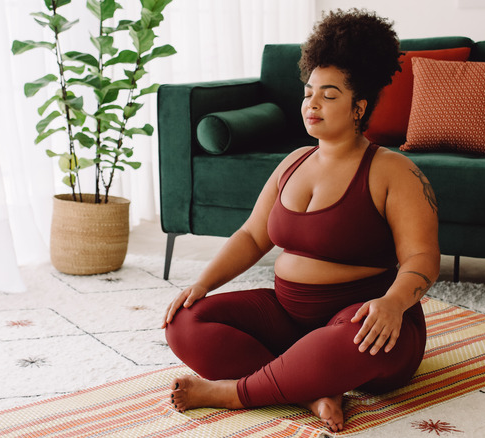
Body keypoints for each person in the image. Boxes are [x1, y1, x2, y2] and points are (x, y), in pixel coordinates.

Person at [162, 8, 440, 432]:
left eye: (329, 95)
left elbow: (422, 258)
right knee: (184, 322)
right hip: (288, 319)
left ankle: (233, 393)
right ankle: (311, 390)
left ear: (358, 107)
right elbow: (253, 235)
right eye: (309, 92)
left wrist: (392, 303)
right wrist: (202, 284)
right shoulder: (293, 162)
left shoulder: (394, 172)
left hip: (366, 321)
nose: (312, 103)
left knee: (344, 345)